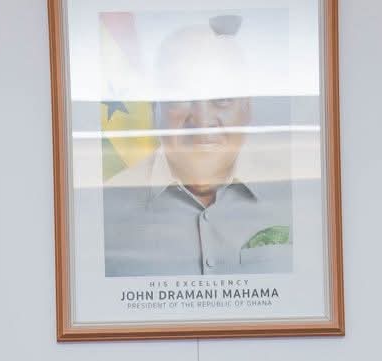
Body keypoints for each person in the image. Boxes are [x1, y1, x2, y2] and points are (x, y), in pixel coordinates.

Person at [101, 17, 293, 278]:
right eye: (181, 98)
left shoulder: (295, 199)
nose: (202, 121)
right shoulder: (104, 211)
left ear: (247, 107)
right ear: (154, 109)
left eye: (221, 99)